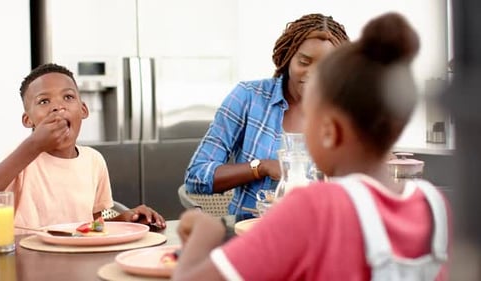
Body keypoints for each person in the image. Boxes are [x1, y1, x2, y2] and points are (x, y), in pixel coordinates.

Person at [173, 12, 451, 280]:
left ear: (329, 131)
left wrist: (206, 233)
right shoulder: (438, 208)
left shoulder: (310, 207)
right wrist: (261, 168)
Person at [185, 13, 349, 215]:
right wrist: (260, 167)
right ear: (288, 57)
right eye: (304, 62)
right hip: (252, 231)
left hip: (317, 231)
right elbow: (196, 177)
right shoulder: (248, 98)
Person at [0, 63, 166, 230]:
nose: (58, 107)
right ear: (28, 120)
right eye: (44, 101)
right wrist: (34, 145)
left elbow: (93, 228)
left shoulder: (94, 161)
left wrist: (124, 220)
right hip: (29, 261)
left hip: (77, 260)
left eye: (68, 97)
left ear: (83, 110)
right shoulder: (21, 160)